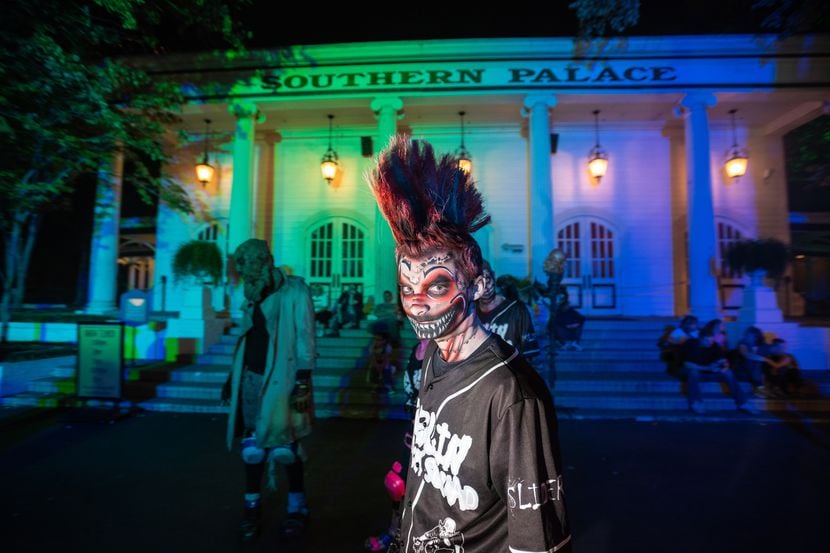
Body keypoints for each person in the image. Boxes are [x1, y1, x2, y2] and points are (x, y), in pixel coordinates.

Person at [367, 136, 571, 553]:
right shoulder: (433, 358)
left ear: (477, 284)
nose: (417, 303)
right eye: (407, 287)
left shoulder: (511, 395)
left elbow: (537, 537)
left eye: (436, 284)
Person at [220, 238, 316, 541]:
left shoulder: (295, 290)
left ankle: (297, 507)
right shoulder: (251, 291)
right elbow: (249, 336)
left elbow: (305, 336)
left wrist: (302, 379)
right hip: (250, 377)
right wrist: (230, 378)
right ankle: (252, 506)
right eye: (243, 265)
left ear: (266, 260)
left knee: (286, 447)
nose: (247, 270)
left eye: (252, 263)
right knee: (252, 449)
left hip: (285, 378)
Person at [365, 338, 430, 552]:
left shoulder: (444, 350)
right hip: (414, 429)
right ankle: (396, 532)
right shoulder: (417, 349)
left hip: (437, 432)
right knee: (397, 484)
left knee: (430, 490)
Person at [680, 325, 759, 415]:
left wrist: (724, 365)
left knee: (728, 372)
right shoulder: (691, 344)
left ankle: (743, 402)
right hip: (698, 372)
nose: (709, 343)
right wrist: (706, 368)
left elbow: (724, 361)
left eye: (711, 340)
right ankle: (696, 402)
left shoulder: (714, 345)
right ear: (700, 339)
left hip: (711, 372)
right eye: (707, 341)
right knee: (692, 373)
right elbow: (687, 364)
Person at [476, 259, 540, 359]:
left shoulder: (517, 311)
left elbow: (531, 357)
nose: (485, 288)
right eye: (478, 283)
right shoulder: (468, 313)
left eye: (487, 280)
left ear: (494, 276)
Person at [733, 326, 771, 398]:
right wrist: (764, 359)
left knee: (758, 365)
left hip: (757, 371)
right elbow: (746, 355)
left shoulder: (763, 345)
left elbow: (771, 352)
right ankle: (760, 389)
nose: (747, 337)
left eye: (750, 335)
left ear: (756, 337)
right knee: (756, 364)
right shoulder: (742, 343)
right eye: (747, 335)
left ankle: (761, 389)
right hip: (743, 369)